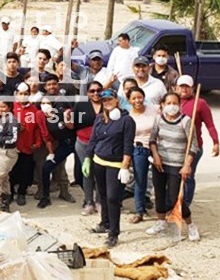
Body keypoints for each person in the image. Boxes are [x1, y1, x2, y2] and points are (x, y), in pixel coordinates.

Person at [83, 89, 135, 248]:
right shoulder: (100, 118)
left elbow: (128, 144)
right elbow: (93, 139)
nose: (106, 102)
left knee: (113, 198)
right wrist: (87, 157)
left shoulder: (127, 120)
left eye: (109, 99)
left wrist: (125, 166)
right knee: (102, 194)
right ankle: (105, 223)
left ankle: (114, 233)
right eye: (104, 100)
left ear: (116, 100)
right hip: (99, 160)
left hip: (116, 163)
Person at [146, 92, 199, 240]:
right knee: (159, 194)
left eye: (175, 103)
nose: (171, 106)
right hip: (159, 162)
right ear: (162, 105)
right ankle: (161, 221)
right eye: (168, 103)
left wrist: (187, 166)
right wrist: (156, 156)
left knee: (176, 197)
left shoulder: (186, 121)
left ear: (180, 105)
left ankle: (190, 225)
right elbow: (152, 139)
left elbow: (193, 146)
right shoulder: (158, 119)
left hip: (177, 164)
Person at [176, 75, 219, 206]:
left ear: (192, 88)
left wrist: (216, 142)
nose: (184, 89)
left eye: (187, 87)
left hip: (193, 147)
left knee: (187, 176)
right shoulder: (172, 101)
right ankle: (174, 202)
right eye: (181, 86)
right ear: (176, 88)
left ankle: (186, 205)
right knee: (173, 177)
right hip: (175, 147)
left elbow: (210, 124)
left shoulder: (200, 103)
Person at [126, 86, 159, 223]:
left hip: (157, 148)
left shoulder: (154, 109)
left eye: (139, 97)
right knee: (140, 181)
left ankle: (165, 207)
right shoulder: (128, 115)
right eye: (134, 98)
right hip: (139, 149)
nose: (137, 100)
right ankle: (139, 211)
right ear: (129, 100)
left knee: (161, 179)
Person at [37, 97, 77, 208]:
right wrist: (51, 153)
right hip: (63, 146)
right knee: (46, 168)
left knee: (80, 173)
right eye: (43, 103)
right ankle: (46, 197)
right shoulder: (42, 117)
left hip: (75, 143)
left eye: (48, 103)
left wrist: (67, 117)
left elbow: (72, 127)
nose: (45, 105)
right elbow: (46, 136)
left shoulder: (61, 113)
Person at [11, 82, 46, 206]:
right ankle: (10, 193)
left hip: (28, 146)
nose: (23, 96)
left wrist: (37, 142)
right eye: (20, 94)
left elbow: (37, 128)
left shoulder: (34, 109)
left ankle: (22, 193)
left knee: (25, 172)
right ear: (16, 94)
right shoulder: (11, 107)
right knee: (12, 171)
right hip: (12, 147)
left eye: (26, 94)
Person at [74, 81, 104, 215]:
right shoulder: (81, 105)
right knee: (87, 173)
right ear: (87, 93)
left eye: (98, 90)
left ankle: (99, 201)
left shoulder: (107, 104)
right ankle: (88, 202)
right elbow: (74, 124)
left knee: (99, 173)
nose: (96, 93)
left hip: (102, 144)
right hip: (83, 143)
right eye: (92, 91)